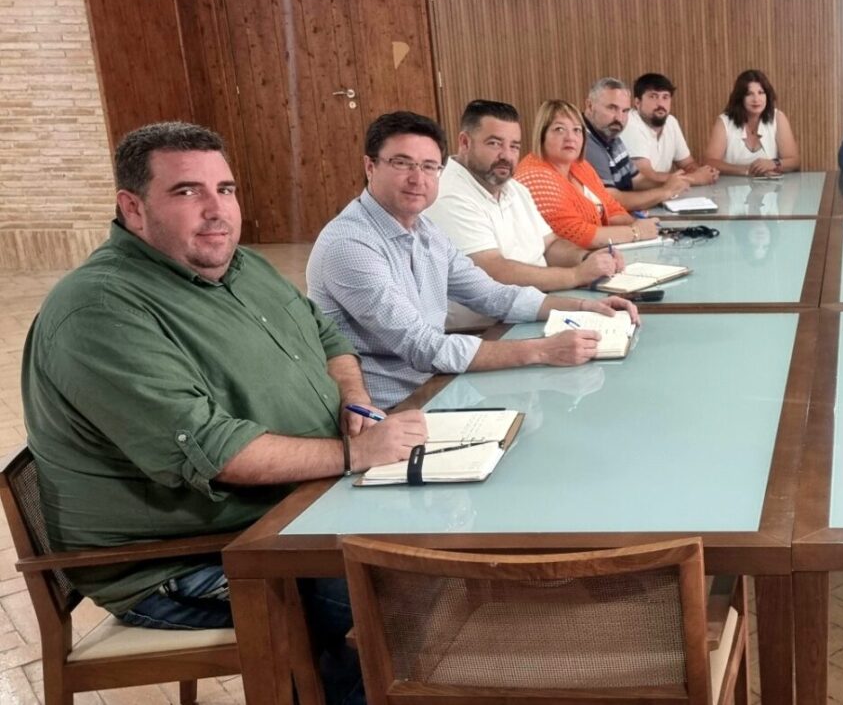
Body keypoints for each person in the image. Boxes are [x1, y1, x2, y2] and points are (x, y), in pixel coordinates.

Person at [22, 122, 425, 705]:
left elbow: (327, 335)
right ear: (132, 209)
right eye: (187, 191)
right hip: (186, 560)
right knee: (394, 590)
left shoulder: (240, 267)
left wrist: (353, 398)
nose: (217, 211)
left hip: (293, 508)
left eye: (226, 189)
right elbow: (217, 451)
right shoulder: (101, 311)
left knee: (431, 549)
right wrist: (354, 452)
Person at [307, 111, 639, 409]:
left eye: (429, 166)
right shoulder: (350, 244)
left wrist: (583, 308)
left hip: (440, 386)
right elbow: (422, 346)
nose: (418, 178)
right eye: (402, 163)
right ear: (370, 167)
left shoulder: (425, 231)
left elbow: (493, 294)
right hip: (394, 408)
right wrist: (542, 350)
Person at [428, 99, 624, 291]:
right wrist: (577, 275)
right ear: (465, 143)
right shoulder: (448, 194)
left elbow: (550, 245)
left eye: (514, 146)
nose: (506, 155)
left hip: (539, 300)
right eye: (495, 144)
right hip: (500, 313)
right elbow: (493, 271)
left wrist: (587, 258)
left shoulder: (515, 188)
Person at [516, 99, 663, 249]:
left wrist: (641, 226)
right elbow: (577, 234)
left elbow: (612, 208)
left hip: (602, 252)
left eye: (577, 130)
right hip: (568, 259)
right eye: (559, 129)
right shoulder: (535, 177)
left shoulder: (580, 165)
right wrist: (636, 232)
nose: (570, 137)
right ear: (542, 135)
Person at [582, 77, 689, 210]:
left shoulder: (610, 133)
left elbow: (637, 180)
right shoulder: (584, 141)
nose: (619, 118)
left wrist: (672, 183)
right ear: (590, 106)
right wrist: (665, 191)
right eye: (612, 108)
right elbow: (611, 200)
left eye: (625, 111)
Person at [619, 72, 720, 185]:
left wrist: (705, 173)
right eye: (653, 96)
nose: (660, 103)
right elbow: (646, 177)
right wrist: (695, 178)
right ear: (637, 102)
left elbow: (688, 164)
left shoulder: (671, 122)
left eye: (665, 97)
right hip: (636, 195)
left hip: (664, 193)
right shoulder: (629, 124)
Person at [704, 69, 801, 177]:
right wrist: (747, 170)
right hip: (732, 185)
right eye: (749, 94)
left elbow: (794, 162)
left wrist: (774, 164)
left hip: (771, 186)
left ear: (767, 95)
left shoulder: (778, 117)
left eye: (761, 93)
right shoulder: (724, 121)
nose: (756, 99)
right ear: (740, 98)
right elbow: (710, 162)